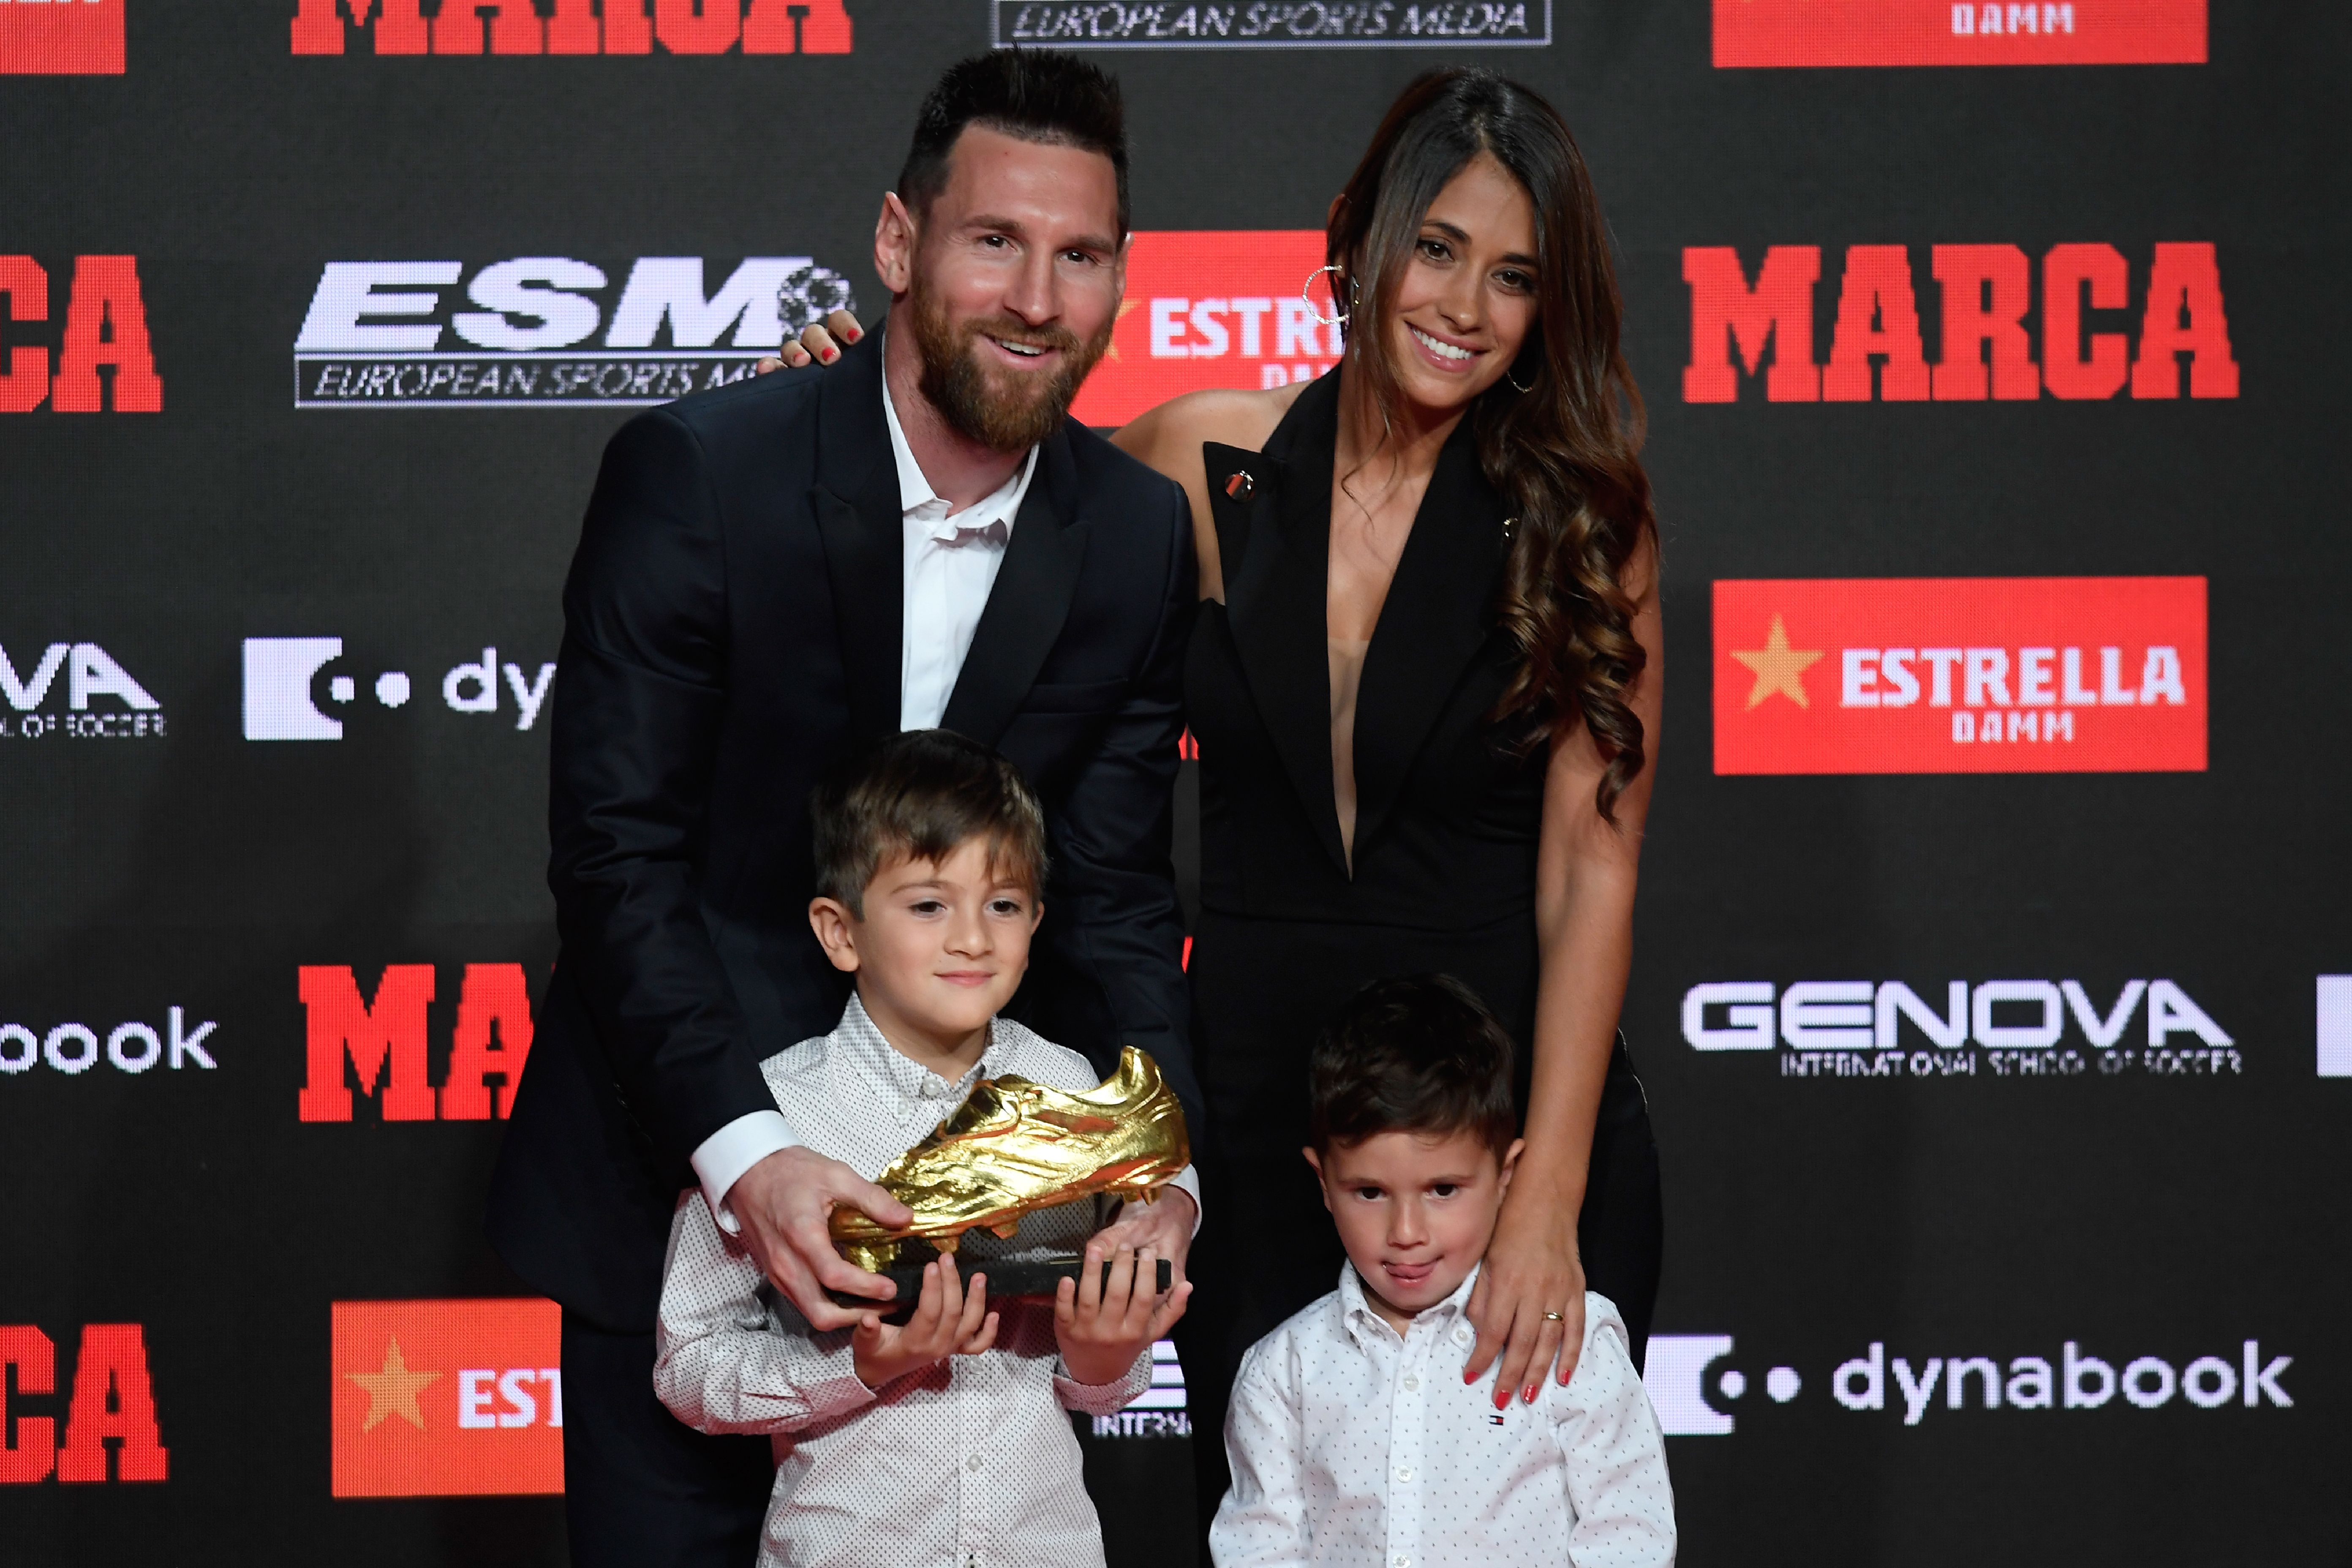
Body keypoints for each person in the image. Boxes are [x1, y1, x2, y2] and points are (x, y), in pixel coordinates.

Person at [774, 64, 1665, 1539]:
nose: (1459, 304)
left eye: (1511, 277)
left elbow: (1593, 872)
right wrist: (836, 414)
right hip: (1258, 1128)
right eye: (1432, 248)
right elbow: (972, 507)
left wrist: (1542, 1192)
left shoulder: (1580, 522)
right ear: (1350, 237)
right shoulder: (1199, 461)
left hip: (1495, 1128)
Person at [486, 49, 1203, 1568]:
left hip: (969, 1289)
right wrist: (748, 1160)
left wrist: (1158, 1171)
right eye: (993, 240)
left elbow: (1125, 899)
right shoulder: (699, 475)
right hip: (677, 1191)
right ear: (897, 244)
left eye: (1079, 256)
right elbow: (617, 858)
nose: (1034, 295)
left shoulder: (1134, 535)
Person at [653, 729, 1194, 1568]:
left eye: (1004, 903)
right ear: (841, 931)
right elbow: (691, 1362)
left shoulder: (1069, 1088)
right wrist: (859, 1365)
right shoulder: (771, 1118)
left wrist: (1105, 1352)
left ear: (1037, 919)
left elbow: (1096, 1383)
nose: (974, 936)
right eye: (929, 904)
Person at [1209, 975, 1673, 1568]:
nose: (1407, 1232)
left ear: (1508, 1174)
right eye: (1370, 1192)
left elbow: (1630, 1536)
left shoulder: (1571, 1340)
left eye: (1444, 1189)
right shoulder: (1283, 1372)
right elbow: (1259, 1549)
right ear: (1323, 1182)